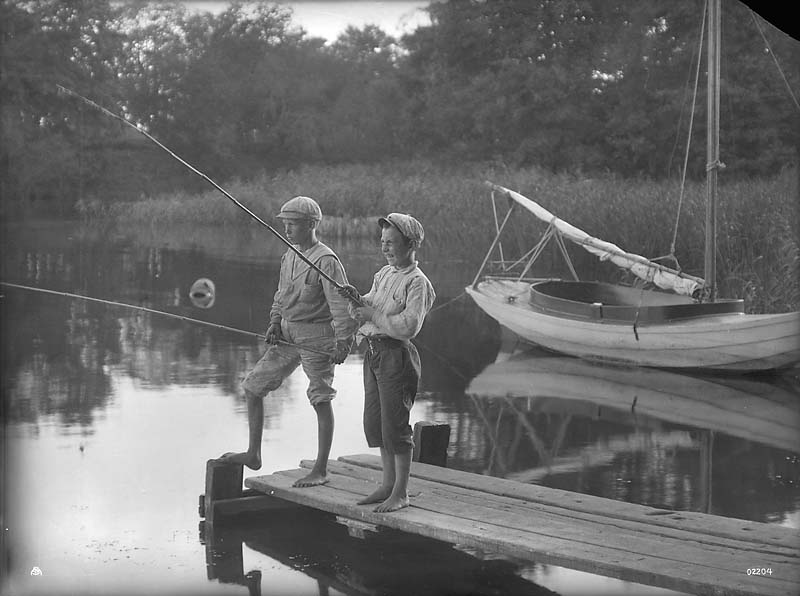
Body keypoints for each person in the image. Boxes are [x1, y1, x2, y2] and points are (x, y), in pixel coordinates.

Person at [218, 196, 356, 487]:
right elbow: (281, 295)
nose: (288, 230)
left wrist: (344, 342)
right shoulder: (289, 255)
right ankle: (253, 453)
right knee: (252, 387)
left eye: (293, 224)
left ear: (310, 225)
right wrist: (274, 322)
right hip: (288, 333)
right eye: (285, 224)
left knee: (320, 397)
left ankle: (320, 469)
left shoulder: (326, 260)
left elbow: (341, 306)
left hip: (317, 335)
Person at [339, 213, 436, 512]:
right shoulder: (383, 274)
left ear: (410, 244)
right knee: (376, 424)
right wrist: (358, 300)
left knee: (395, 426)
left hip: (397, 356)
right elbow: (372, 303)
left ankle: (401, 492)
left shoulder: (418, 283)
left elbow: (408, 326)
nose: (386, 248)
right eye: (383, 242)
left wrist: (373, 316)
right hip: (373, 353)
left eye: (392, 242)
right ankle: (386, 484)